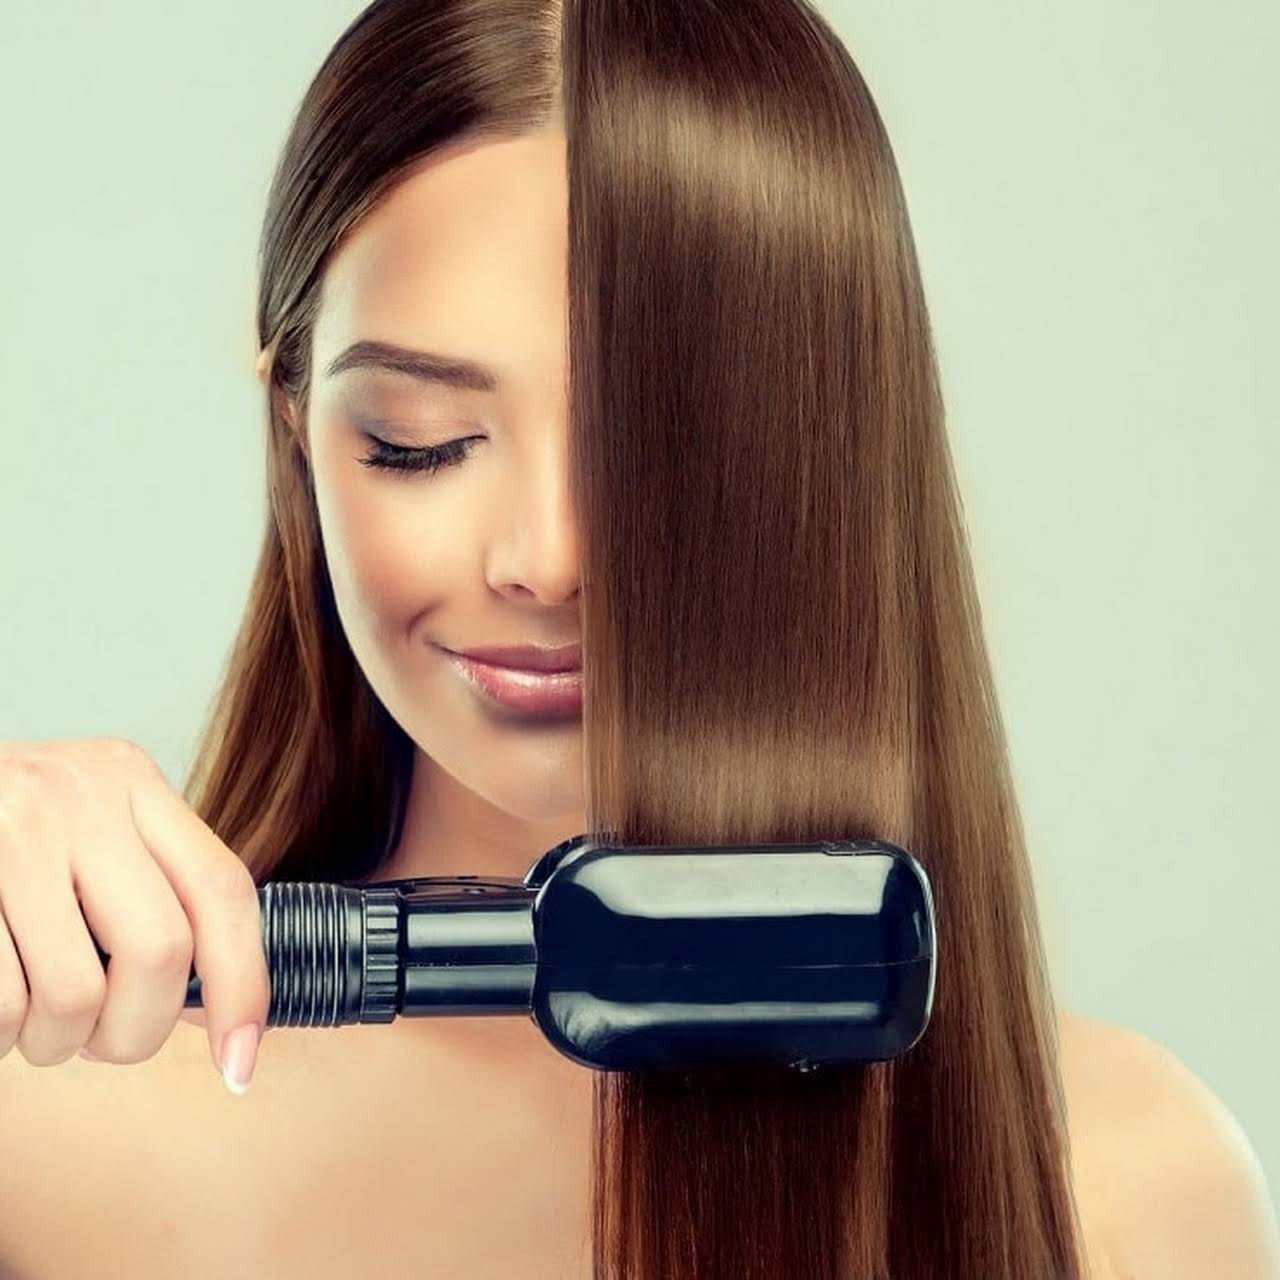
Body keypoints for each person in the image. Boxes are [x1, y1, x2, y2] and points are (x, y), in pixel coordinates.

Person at [2, 2, 1277, 1278]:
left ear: (838, 449)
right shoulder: (44, 1143)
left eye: (660, 436)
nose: (547, 556)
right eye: (421, 441)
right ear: (295, 425)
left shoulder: (1130, 1189)